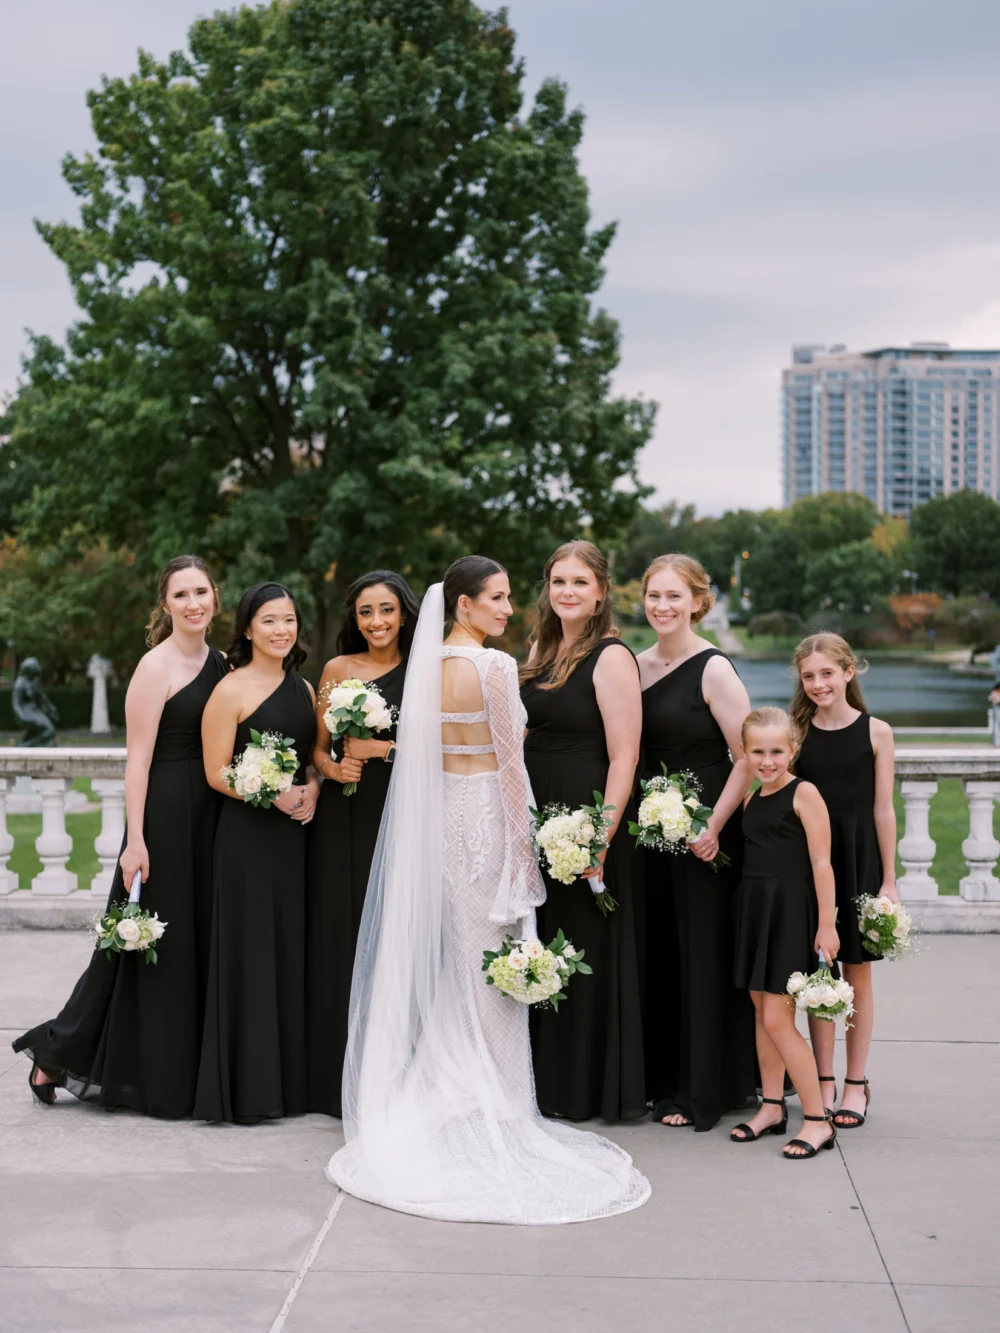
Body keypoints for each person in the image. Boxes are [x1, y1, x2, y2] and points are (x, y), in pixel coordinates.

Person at [326, 557, 650, 1223]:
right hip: (485, 820)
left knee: (464, 956)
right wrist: (525, 848)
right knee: (494, 963)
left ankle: (464, 1087)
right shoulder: (493, 666)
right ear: (466, 604)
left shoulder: (426, 663)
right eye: (497, 598)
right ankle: (499, 1103)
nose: (510, 608)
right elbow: (511, 764)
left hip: (443, 817)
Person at [14, 556, 226, 1117]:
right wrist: (135, 840)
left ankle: (180, 1064)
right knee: (130, 946)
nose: (193, 603)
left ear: (215, 597)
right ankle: (55, 1052)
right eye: (181, 595)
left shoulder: (223, 663)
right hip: (162, 816)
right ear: (166, 605)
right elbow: (136, 762)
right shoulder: (153, 668)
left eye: (201, 592)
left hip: (211, 817)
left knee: (193, 944)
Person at [520, 540, 646, 1123]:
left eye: (578, 582)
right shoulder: (540, 648)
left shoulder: (612, 656)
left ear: (600, 592)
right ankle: (541, 1079)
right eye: (557, 582)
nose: (566, 592)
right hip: (533, 809)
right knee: (538, 937)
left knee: (581, 943)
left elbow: (625, 755)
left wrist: (601, 834)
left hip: (583, 813)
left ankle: (585, 1087)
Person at [636, 554, 757, 1130]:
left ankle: (704, 1087)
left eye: (674, 597)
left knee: (702, 955)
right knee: (660, 953)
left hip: (706, 835)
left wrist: (711, 825)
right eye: (654, 595)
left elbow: (750, 758)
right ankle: (660, 1082)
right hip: (649, 833)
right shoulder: (634, 665)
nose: (663, 606)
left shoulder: (713, 669)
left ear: (698, 602)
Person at [194, 583, 318, 1123]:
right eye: (269, 621)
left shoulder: (305, 688)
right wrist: (271, 793)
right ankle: (248, 1088)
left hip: (296, 839)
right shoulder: (230, 690)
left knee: (292, 949)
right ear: (247, 628)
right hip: (247, 839)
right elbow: (216, 771)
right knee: (250, 952)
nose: (281, 630)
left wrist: (310, 788)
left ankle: (291, 1085)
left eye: (288, 620)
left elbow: (312, 759)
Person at [306, 570, 419, 1116]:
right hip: (341, 819)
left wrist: (382, 752)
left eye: (387, 610)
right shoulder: (336, 670)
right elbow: (317, 750)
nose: (376, 622)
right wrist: (335, 768)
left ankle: (390, 1075)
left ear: (404, 614)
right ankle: (334, 1076)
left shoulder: (423, 672)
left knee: (393, 936)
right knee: (340, 934)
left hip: (399, 818)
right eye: (365, 612)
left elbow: (443, 751)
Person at [792, 633, 896, 1129]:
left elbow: (883, 809)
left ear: (849, 672)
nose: (818, 684)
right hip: (809, 862)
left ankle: (857, 1082)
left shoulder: (877, 732)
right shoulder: (796, 732)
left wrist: (889, 880)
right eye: (809, 676)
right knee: (817, 970)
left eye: (827, 673)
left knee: (856, 971)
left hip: (858, 863)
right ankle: (824, 1079)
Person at [730, 708, 839, 1159]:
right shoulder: (752, 798)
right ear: (745, 753)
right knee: (761, 1012)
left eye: (777, 751)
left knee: (778, 1017)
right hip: (756, 911)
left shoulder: (804, 793)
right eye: (758, 751)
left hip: (792, 913)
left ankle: (817, 1120)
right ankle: (772, 1105)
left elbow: (821, 862)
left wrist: (827, 925)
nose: (768, 760)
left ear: (793, 750)